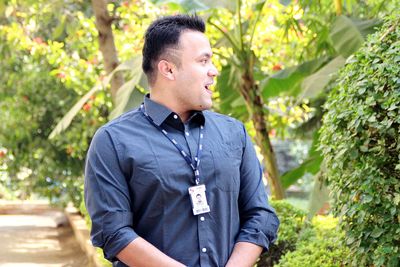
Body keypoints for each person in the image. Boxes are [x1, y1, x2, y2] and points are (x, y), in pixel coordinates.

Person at [84, 14, 279, 267]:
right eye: (203, 60)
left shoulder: (234, 134)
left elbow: (260, 216)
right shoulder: (112, 141)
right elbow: (113, 231)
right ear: (168, 69)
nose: (214, 70)